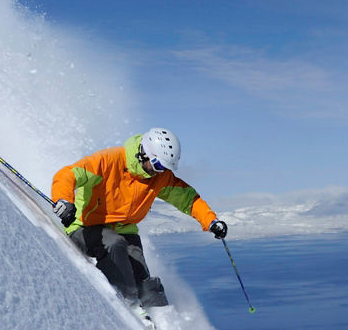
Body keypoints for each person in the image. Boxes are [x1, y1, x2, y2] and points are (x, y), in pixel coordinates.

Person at [51, 127, 227, 317]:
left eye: (166, 168)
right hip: (85, 225)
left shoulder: (159, 177)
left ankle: (163, 317)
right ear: (144, 153)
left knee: (142, 275)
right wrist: (63, 200)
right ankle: (129, 308)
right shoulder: (108, 161)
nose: (161, 172)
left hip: (125, 230)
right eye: (159, 166)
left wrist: (211, 221)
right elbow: (68, 174)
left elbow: (188, 199)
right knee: (114, 245)